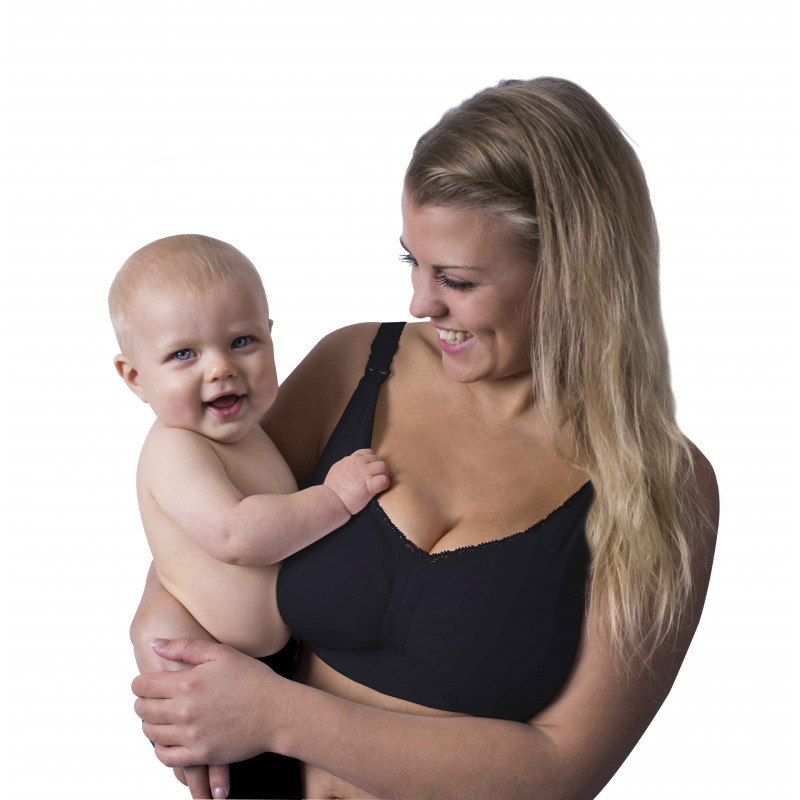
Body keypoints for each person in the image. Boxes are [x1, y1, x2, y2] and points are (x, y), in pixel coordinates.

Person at [131, 78, 719, 800]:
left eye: (457, 280)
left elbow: (562, 772)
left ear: (574, 270)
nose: (419, 303)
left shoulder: (662, 488)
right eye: (412, 261)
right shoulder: (352, 366)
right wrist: (159, 647)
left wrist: (275, 716)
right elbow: (210, 531)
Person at [110, 234, 390, 797]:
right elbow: (237, 535)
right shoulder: (174, 449)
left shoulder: (245, 434)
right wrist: (335, 499)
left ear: (270, 334)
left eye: (242, 341)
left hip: (273, 668)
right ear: (135, 377)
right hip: (217, 678)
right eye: (183, 354)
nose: (221, 368)